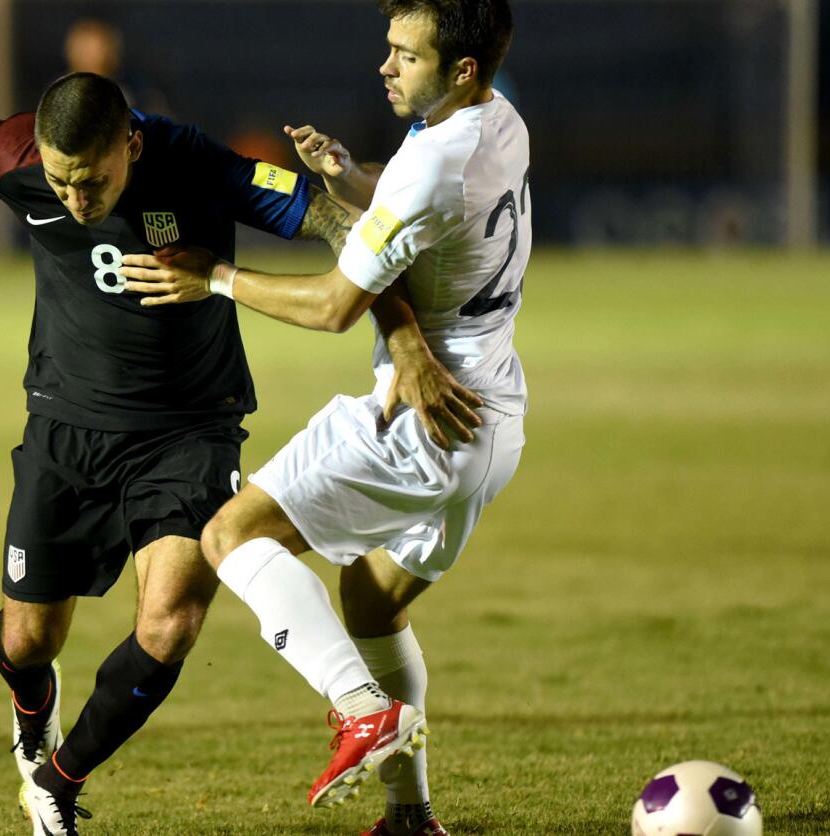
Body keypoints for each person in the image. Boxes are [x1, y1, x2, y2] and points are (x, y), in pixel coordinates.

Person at [0, 72, 451, 835]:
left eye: (92, 181)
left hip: (191, 429)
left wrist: (404, 334)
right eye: (60, 182)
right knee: (26, 642)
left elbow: (337, 221)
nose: (75, 200)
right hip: (66, 426)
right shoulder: (13, 151)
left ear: (133, 145)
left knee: (170, 623)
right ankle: (32, 710)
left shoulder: (195, 163)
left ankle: (56, 783)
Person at [119, 2, 525, 833]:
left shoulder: (434, 162)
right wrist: (345, 175)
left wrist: (219, 279)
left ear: (461, 71)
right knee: (371, 603)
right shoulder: (498, 120)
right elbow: (412, 208)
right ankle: (410, 818)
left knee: (231, 537)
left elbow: (341, 304)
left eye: (405, 56)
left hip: (420, 417)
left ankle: (361, 709)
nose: (385, 66)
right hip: (494, 416)